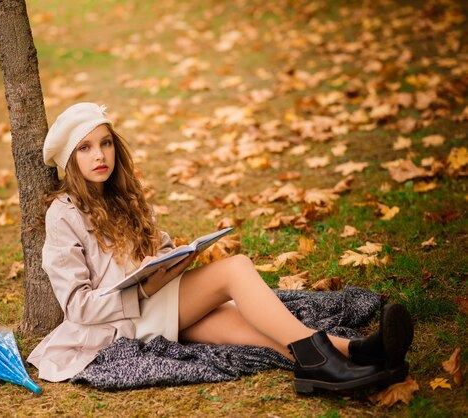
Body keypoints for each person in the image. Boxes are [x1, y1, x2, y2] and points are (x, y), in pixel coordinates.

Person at [27, 102, 414, 393]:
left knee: (246, 323)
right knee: (235, 269)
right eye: (86, 148)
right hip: (121, 321)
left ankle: (359, 354)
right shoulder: (62, 214)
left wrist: (172, 259)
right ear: (69, 160)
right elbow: (76, 306)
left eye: (106, 143)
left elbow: (150, 251)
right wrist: (144, 287)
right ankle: (325, 362)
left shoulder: (123, 195)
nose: (99, 155)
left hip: (156, 302)